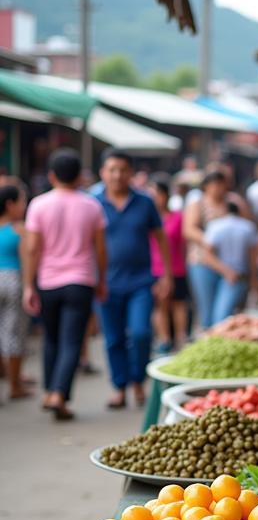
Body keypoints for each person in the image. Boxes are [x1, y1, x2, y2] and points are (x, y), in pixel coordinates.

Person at [21, 149, 106, 420]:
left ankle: (50, 391)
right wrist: (101, 279)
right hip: (80, 281)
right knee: (71, 341)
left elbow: (33, 249)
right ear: (80, 176)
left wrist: (29, 285)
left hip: (48, 282)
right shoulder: (91, 205)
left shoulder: (38, 204)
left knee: (52, 339)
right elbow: (100, 249)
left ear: (51, 175)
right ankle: (59, 394)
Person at [94, 149, 173, 408]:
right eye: (112, 170)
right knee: (113, 338)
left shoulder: (144, 202)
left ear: (131, 173)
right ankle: (120, 387)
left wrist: (166, 275)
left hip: (141, 280)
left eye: (122, 170)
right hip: (106, 282)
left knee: (140, 332)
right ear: (103, 173)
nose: (117, 175)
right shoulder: (94, 202)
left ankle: (138, 379)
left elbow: (160, 238)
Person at [183, 169, 234, 329]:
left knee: (224, 310)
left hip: (228, 264)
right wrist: (208, 240)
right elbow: (189, 229)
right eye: (214, 184)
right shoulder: (198, 204)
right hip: (202, 261)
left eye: (221, 184)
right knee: (207, 307)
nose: (218, 188)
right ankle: (209, 336)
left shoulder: (232, 203)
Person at [150, 177, 189, 352]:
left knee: (178, 304)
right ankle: (164, 340)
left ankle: (181, 339)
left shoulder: (178, 217)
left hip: (176, 267)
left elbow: (184, 243)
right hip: (154, 269)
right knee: (160, 306)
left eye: (157, 194)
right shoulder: (148, 219)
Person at [203, 202, 258, 323]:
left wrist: (224, 270)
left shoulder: (215, 226)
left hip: (218, 273)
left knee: (216, 314)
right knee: (227, 314)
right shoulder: (248, 227)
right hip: (239, 275)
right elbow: (252, 257)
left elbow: (207, 255)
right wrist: (255, 279)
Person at [0, 184, 30, 399]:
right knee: (13, 335)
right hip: (13, 282)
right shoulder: (19, 229)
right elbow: (28, 259)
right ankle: (14, 386)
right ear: (10, 205)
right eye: (21, 201)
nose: (24, 206)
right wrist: (30, 286)